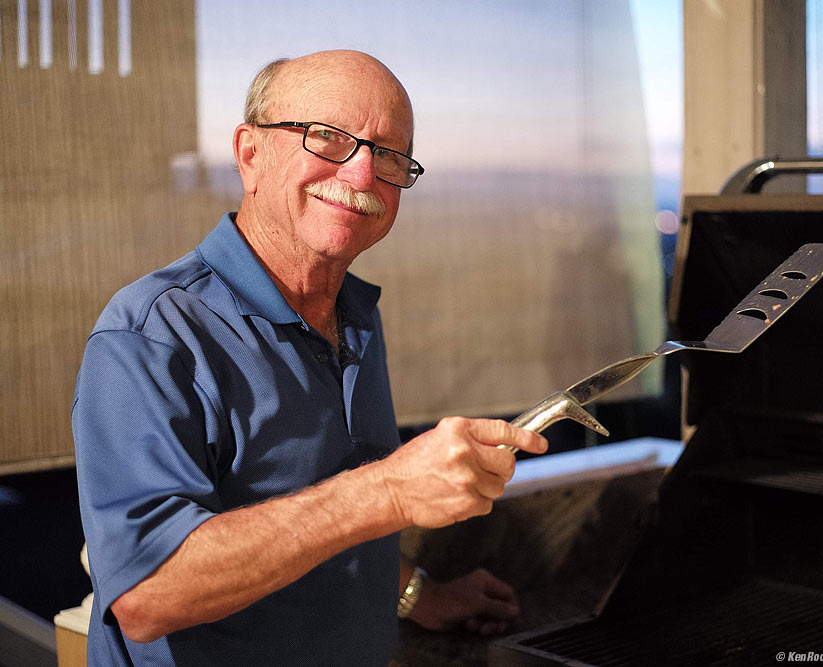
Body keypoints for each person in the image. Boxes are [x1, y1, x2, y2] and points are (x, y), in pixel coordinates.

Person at [72, 50, 548, 666]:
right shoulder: (153, 333)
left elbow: (307, 513)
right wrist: (390, 493)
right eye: (327, 139)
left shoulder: (354, 315)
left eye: (389, 156)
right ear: (250, 155)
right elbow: (146, 592)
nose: (361, 176)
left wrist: (414, 593)